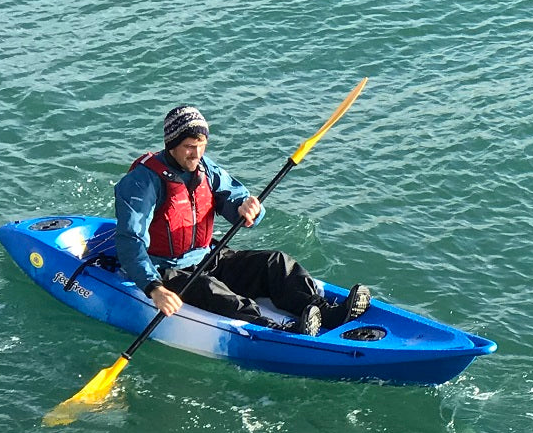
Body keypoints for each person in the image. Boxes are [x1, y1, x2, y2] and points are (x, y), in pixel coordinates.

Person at [113, 105, 370, 336]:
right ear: (171, 144)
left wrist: (249, 209)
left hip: (207, 255)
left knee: (276, 262)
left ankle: (325, 311)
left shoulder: (205, 168)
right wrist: (154, 288)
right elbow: (130, 241)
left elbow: (234, 199)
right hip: (164, 269)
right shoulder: (141, 182)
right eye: (189, 146)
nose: (197, 153)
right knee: (212, 290)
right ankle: (278, 330)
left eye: (202, 144)